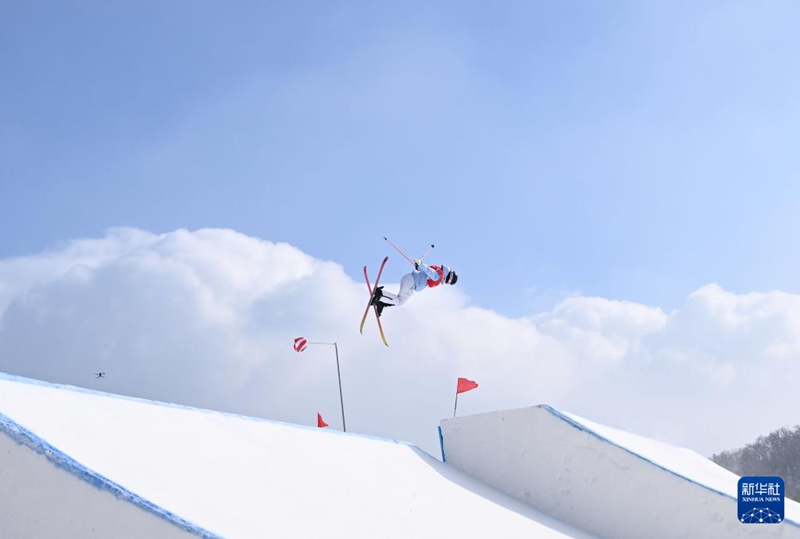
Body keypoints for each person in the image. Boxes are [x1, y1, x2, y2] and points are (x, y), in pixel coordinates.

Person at [371, 260, 458, 316]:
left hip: (409, 279)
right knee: (400, 301)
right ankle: (380, 295)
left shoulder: (437, 271)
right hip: (411, 282)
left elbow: (424, 270)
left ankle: (381, 303)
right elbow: (428, 271)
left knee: (400, 300)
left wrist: (418, 265)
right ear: (448, 276)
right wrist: (421, 264)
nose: (445, 282)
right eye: (448, 281)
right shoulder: (438, 275)